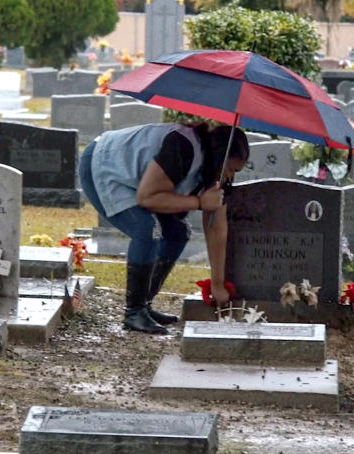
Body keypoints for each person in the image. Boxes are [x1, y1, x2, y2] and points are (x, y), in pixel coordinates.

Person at [78, 122, 250, 334]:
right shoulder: (182, 147)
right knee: (147, 230)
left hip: (136, 181)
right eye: (231, 169)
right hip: (104, 163)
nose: (231, 177)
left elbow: (216, 228)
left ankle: (145, 304)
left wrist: (218, 284)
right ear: (220, 155)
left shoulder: (216, 171)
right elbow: (147, 196)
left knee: (177, 233)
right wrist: (198, 202)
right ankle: (134, 312)